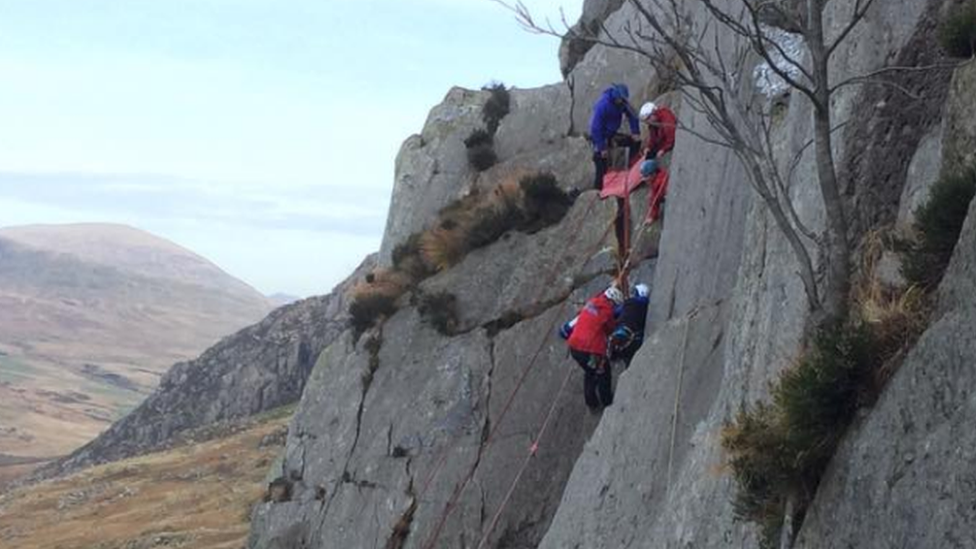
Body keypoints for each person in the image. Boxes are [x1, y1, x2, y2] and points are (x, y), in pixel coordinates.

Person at [559, 285, 625, 410]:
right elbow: (610, 329)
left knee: (590, 372)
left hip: (574, 347)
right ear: (613, 302)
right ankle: (607, 401)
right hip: (590, 350)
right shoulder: (607, 311)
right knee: (603, 372)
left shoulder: (592, 302)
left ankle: (592, 403)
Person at [590, 84, 640, 190]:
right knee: (601, 164)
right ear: (616, 96)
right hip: (600, 137)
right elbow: (595, 128)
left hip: (611, 135)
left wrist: (635, 132)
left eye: (623, 99)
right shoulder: (603, 105)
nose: (622, 101)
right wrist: (602, 147)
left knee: (634, 142)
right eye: (621, 99)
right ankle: (599, 190)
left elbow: (632, 115)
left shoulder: (621, 103)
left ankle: (632, 166)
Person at [609, 283, 650, 369]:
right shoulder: (646, 306)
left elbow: (614, 312)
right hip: (636, 338)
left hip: (623, 334)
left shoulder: (629, 303)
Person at [638, 101, 677, 180]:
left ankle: (653, 174)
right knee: (649, 153)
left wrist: (663, 149)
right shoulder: (653, 123)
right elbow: (653, 138)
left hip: (668, 144)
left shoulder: (666, 118)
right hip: (662, 143)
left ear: (653, 114)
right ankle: (648, 172)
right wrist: (649, 147)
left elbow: (671, 136)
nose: (647, 122)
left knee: (657, 158)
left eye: (648, 119)